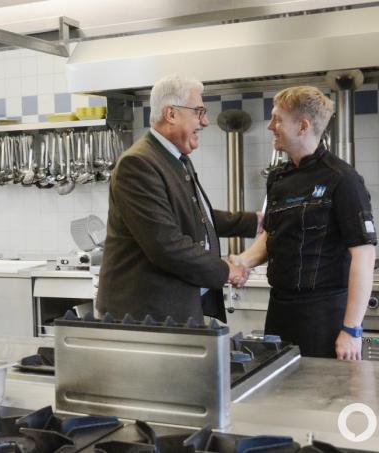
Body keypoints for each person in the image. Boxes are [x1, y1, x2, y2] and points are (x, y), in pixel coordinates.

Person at [96, 74, 262, 323]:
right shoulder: (138, 163)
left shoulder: (173, 157)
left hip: (173, 309)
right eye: (198, 112)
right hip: (145, 315)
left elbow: (195, 214)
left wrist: (254, 222)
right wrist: (225, 269)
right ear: (171, 114)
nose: (205, 122)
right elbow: (166, 244)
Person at [230, 86, 377, 360]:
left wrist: (351, 329)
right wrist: (244, 261)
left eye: (277, 119)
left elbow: (364, 256)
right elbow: (273, 234)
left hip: (324, 314)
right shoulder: (278, 178)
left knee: (323, 398)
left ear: (303, 126)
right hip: (280, 310)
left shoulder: (343, 180)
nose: (270, 126)